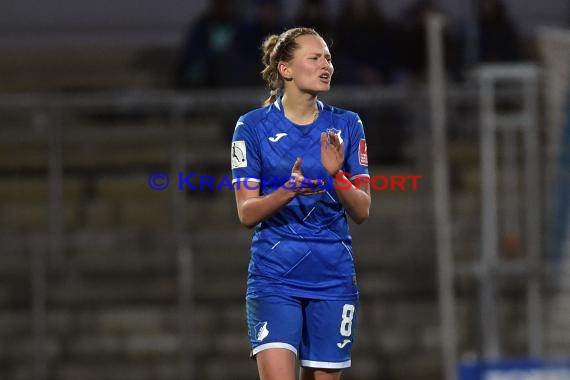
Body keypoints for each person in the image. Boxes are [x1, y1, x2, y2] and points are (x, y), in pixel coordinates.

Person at [230, 27, 371, 380]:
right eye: (315, 57)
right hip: (275, 275)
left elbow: (363, 210)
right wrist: (287, 190)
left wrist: (337, 175)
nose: (326, 65)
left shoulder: (347, 125)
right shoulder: (252, 128)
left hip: (333, 275)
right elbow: (246, 212)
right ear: (285, 69)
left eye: (328, 57)